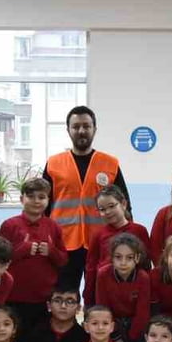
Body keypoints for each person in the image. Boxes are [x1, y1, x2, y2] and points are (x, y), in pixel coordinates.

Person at [43, 105, 129, 290]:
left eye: (86, 126)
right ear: (68, 130)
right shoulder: (54, 163)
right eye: (76, 127)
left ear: (94, 129)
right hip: (64, 242)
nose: (81, 131)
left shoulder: (110, 163)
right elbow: (44, 205)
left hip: (101, 241)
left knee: (99, 292)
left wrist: (126, 238)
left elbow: (125, 205)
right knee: (64, 293)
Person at [1, 176, 68, 334]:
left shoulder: (54, 227)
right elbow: (0, 260)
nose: (36, 201)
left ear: (48, 200)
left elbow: (63, 260)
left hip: (44, 298)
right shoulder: (9, 225)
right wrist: (22, 250)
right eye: (31, 196)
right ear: (21, 198)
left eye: (41, 197)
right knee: (16, 338)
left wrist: (51, 251)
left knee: (40, 340)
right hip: (14, 296)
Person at [84, 185, 149, 305]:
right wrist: (88, 301)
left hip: (132, 294)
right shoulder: (98, 234)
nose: (107, 212)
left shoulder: (139, 231)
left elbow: (145, 265)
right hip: (105, 293)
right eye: (102, 209)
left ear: (123, 204)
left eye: (111, 206)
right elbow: (91, 268)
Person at [95, 232, 151, 342]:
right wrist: (116, 337)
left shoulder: (143, 277)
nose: (123, 263)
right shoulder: (103, 275)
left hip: (135, 324)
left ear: (137, 258)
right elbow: (103, 308)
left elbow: (142, 314)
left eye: (129, 257)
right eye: (118, 257)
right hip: (112, 323)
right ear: (112, 257)